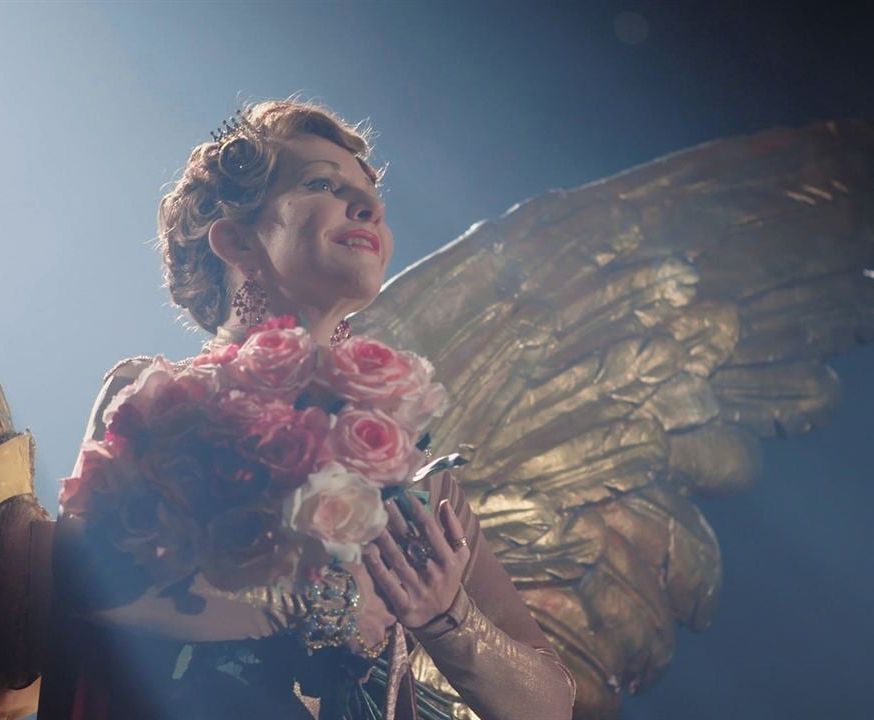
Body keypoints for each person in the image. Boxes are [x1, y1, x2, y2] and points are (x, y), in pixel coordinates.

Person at [35, 99, 576, 720]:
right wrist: (318, 608)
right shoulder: (152, 399)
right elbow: (81, 578)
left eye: (371, 195)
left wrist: (446, 617)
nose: (371, 207)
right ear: (237, 238)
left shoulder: (410, 467)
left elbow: (551, 704)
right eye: (322, 183)